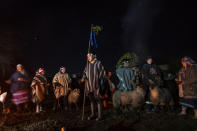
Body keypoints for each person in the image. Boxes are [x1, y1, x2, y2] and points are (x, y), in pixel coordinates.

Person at [81, 53, 105, 121]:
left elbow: (102, 72)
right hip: (89, 86)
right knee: (91, 100)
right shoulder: (87, 65)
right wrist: (84, 77)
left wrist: (99, 81)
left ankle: (100, 116)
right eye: (87, 57)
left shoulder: (98, 63)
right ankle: (93, 114)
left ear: (93, 56)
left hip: (96, 85)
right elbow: (84, 73)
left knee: (98, 100)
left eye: (89, 56)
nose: (88, 58)